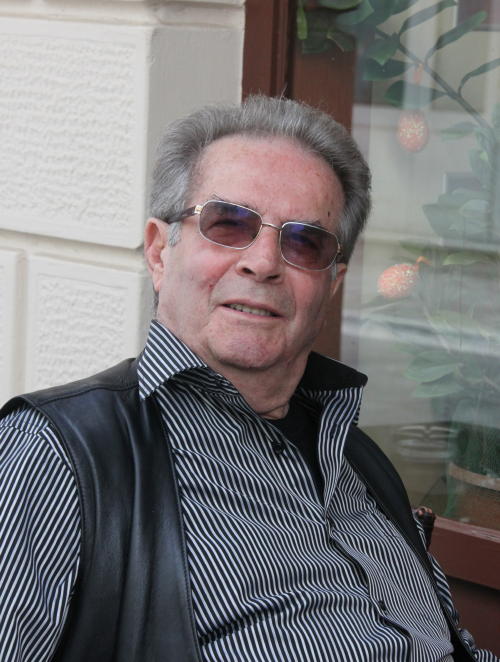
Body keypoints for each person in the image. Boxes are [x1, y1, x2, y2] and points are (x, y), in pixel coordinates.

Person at [0, 96, 497, 662]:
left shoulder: (359, 461)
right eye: (228, 224)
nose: (262, 263)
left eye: (304, 241)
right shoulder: (57, 454)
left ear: (332, 284)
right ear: (160, 252)